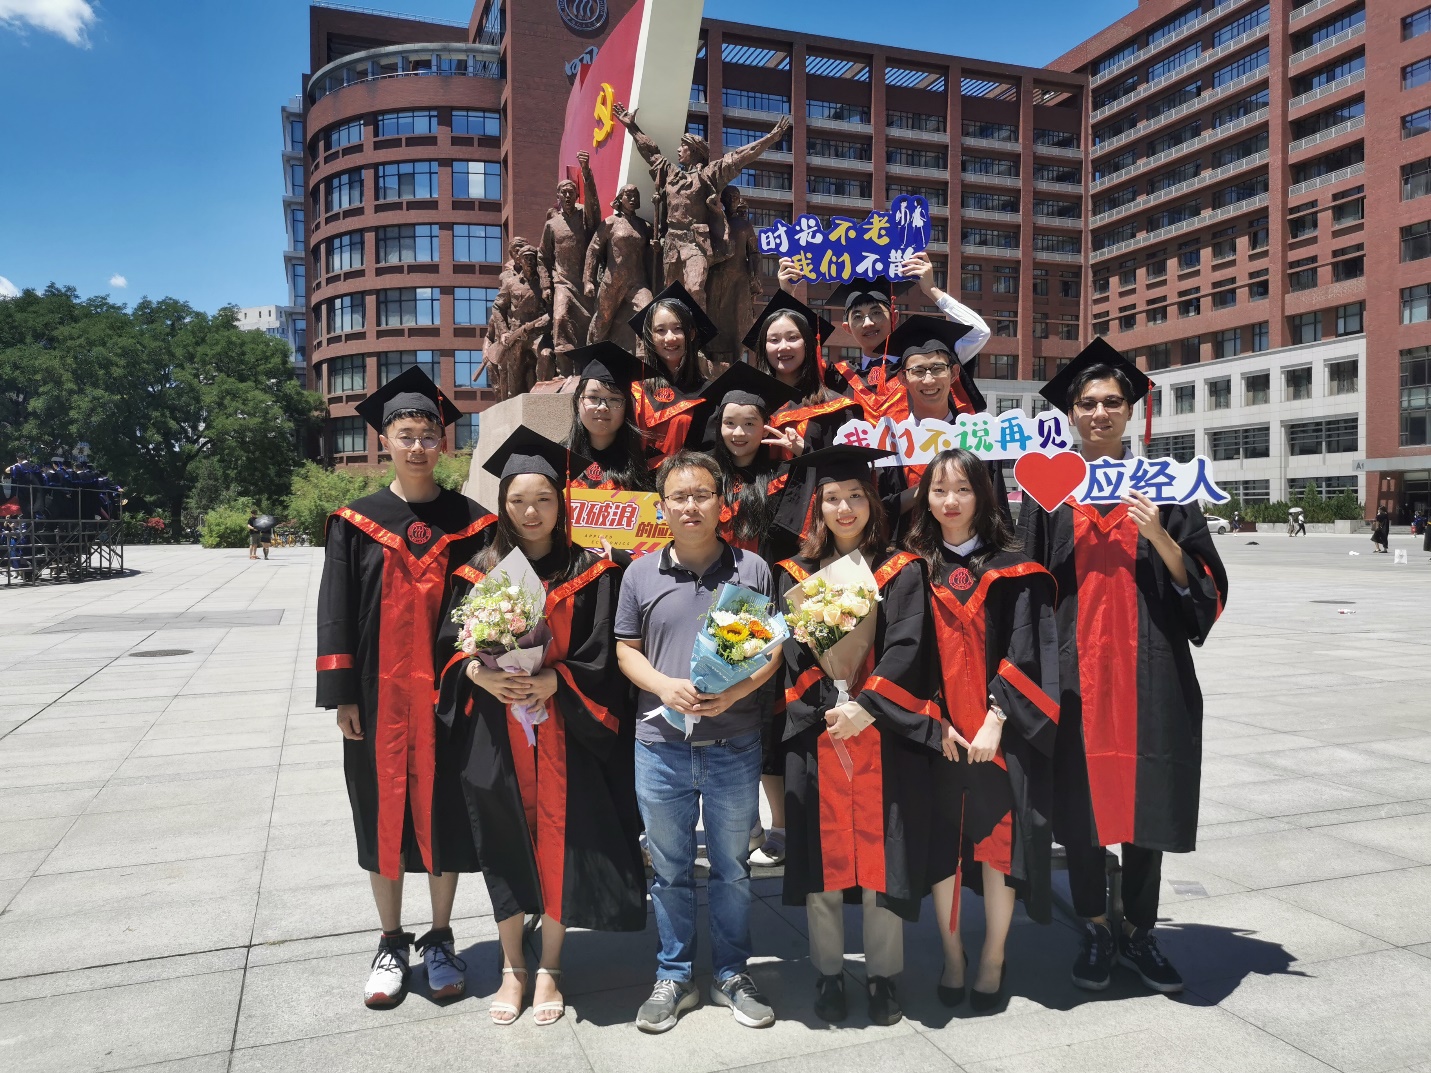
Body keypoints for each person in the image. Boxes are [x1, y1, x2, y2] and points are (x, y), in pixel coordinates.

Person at [1019, 340, 1229, 995]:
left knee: (1148, 802)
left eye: (1112, 401)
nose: (1100, 413)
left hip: (1149, 673)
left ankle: (1138, 931)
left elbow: (1206, 586)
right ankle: (1093, 926)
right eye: (1088, 403)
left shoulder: (1164, 486)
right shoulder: (1049, 490)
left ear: (1129, 410)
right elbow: (1023, 584)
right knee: (1078, 807)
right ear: (1072, 413)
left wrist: (1158, 533)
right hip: (1072, 675)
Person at [436, 429, 646, 1026]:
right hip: (496, 733)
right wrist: (479, 673)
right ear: (503, 504)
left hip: (566, 733)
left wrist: (558, 681)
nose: (531, 512)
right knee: (502, 840)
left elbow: (604, 654)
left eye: (544, 500)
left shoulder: (592, 571)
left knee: (562, 843)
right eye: (518, 501)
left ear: (562, 503)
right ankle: (512, 967)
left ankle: (550, 965)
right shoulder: (479, 570)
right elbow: (448, 647)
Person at [316, 368, 496, 1009]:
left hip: (452, 696)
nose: (418, 446)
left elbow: (490, 611)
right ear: (384, 441)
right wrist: (342, 695)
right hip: (376, 698)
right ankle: (390, 941)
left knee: (446, 811)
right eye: (406, 435)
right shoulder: (355, 522)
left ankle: (441, 938)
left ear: (442, 443)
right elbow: (335, 610)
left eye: (428, 435)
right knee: (379, 811)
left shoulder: (472, 523)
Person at [614, 450, 782, 1033]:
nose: (691, 506)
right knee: (670, 869)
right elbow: (625, 650)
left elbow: (770, 650)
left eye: (702, 495)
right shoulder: (639, 573)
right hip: (660, 744)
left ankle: (732, 973)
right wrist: (664, 686)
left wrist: (733, 695)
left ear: (722, 502)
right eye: (679, 497)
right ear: (662, 506)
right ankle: (675, 974)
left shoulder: (752, 569)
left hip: (733, 744)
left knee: (733, 868)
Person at [775, 445, 941, 1027]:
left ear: (872, 502)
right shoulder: (796, 573)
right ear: (817, 507)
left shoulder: (902, 570)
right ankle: (827, 972)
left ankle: (882, 976)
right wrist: (830, 706)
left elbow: (909, 647)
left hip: (883, 733)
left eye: (854, 497)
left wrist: (865, 707)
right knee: (820, 860)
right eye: (831, 499)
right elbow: (793, 656)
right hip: (819, 731)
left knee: (881, 858)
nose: (843, 508)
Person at [906, 449, 1059, 1014]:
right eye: (939, 490)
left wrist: (997, 719)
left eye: (963, 489)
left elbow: (1028, 648)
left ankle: (993, 955)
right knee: (941, 849)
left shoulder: (1014, 570)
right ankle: (953, 955)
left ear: (983, 495)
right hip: (938, 738)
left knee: (999, 850)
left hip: (1000, 738)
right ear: (926, 498)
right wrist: (935, 721)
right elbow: (906, 656)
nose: (951, 501)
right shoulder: (911, 569)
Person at [682, 363, 802, 868]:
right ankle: (743, 821)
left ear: (764, 426)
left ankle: (780, 826)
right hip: (708, 599)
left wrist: (801, 458)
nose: (739, 432)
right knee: (719, 709)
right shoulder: (705, 476)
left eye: (750, 423)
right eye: (730, 422)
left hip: (766, 600)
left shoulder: (784, 474)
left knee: (767, 713)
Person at [612, 101, 793, 309]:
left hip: (695, 241)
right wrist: (632, 127)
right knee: (670, 294)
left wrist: (770, 139)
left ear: (694, 150)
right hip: (672, 240)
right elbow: (651, 152)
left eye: (683, 146)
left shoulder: (709, 175)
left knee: (695, 288)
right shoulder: (671, 173)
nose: (678, 149)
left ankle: (697, 329)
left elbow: (740, 157)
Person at [881, 315, 1011, 536]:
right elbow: (880, 512)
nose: (929, 380)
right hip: (907, 552)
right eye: (918, 371)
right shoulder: (890, 443)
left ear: (954, 373)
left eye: (938, 368)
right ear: (903, 379)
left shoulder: (978, 438)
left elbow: (997, 509)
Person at [628, 282, 721, 467]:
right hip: (637, 483)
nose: (670, 338)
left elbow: (710, 453)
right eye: (660, 330)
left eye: (678, 328)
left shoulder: (708, 393)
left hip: (687, 480)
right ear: (650, 337)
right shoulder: (634, 389)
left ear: (691, 334)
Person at [565, 342, 654, 494]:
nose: (602, 407)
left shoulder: (649, 464)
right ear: (577, 402)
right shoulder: (557, 459)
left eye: (614, 399)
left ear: (627, 408)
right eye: (593, 397)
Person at [540, 151, 600, 373]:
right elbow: (543, 256)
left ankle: (584, 371)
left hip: (584, 282)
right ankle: (564, 372)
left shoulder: (585, 215)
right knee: (560, 318)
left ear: (576, 195)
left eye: (571, 192)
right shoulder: (552, 225)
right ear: (558, 196)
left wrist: (586, 172)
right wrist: (546, 285)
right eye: (563, 192)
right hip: (562, 282)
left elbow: (594, 206)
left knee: (586, 327)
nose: (567, 196)